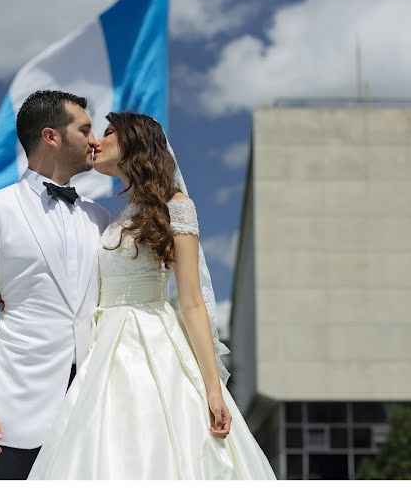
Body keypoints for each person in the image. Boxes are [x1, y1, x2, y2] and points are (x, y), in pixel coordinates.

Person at [26, 112, 276, 479]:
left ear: (135, 144)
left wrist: (213, 388)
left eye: (109, 132)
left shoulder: (176, 207)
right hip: (100, 346)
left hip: (148, 342)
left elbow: (191, 302)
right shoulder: (113, 217)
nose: (96, 140)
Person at [0, 90, 110, 479]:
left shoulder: (102, 218)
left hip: (93, 398)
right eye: (85, 129)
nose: (95, 141)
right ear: (51, 137)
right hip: (16, 405)